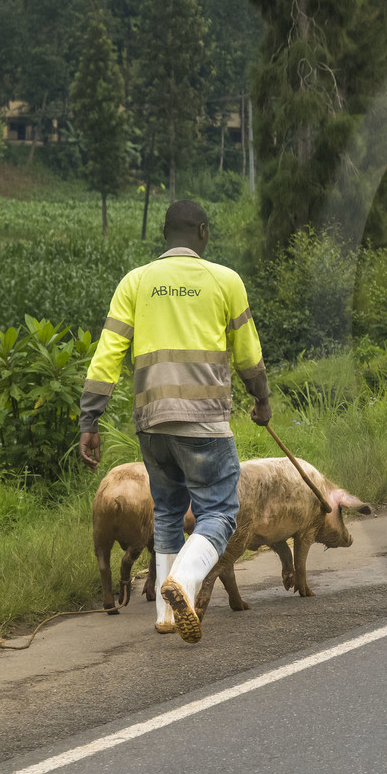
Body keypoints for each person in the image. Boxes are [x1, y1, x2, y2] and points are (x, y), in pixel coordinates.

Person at [78, 201, 271, 644]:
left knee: (166, 513)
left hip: (152, 426)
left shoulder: (136, 281)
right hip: (203, 424)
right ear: (202, 231)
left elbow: (107, 355)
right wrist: (262, 400)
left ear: (164, 234)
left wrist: (90, 418)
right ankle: (182, 584)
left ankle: (167, 615)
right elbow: (248, 355)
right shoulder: (226, 280)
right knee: (221, 512)